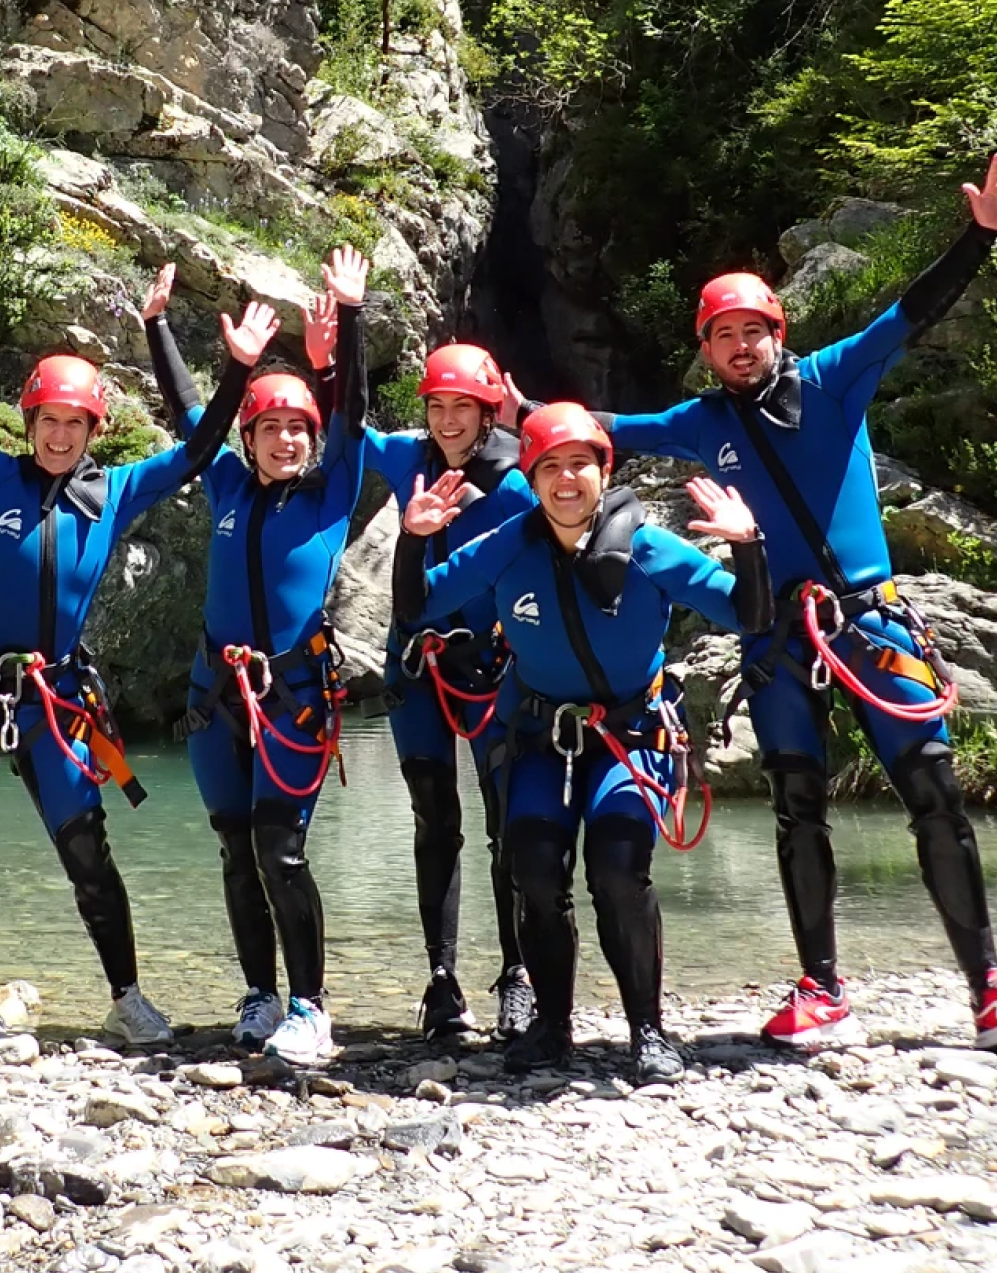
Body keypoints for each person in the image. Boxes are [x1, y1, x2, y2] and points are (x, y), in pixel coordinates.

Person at [504, 154, 997, 1051]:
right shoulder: (698, 421)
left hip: (869, 620)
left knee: (933, 792)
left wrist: (981, 236)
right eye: (720, 335)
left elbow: (911, 315)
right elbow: (597, 431)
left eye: (749, 330)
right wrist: (514, 402)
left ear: (777, 330)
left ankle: (989, 984)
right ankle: (822, 987)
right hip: (777, 632)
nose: (736, 347)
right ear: (706, 348)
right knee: (798, 801)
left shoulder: (836, 376)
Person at [0, 286, 280, 1046]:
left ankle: (126, 996)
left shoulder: (113, 492)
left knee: (87, 846)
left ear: (92, 431)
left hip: (54, 693)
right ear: (31, 423)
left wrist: (238, 371)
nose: (59, 436)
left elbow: (201, 448)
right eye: (49, 421)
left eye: (74, 424)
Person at [397, 406, 773, 1077]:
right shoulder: (510, 544)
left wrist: (747, 545)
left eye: (580, 464)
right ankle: (552, 1025)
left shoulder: (648, 549)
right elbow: (415, 605)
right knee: (535, 871)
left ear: (605, 471)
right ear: (531, 478)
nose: (566, 480)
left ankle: (647, 1029)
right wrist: (412, 538)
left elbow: (748, 611)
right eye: (550, 467)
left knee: (618, 872)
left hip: (627, 736)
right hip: (541, 737)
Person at [141, 248, 371, 1065]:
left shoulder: (332, 492)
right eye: (270, 427)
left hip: (293, 694)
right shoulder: (228, 487)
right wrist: (158, 325)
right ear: (252, 438)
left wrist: (347, 324)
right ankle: (259, 994)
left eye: (296, 429)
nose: (285, 439)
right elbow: (189, 416)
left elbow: (353, 416)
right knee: (236, 848)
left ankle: (310, 1006)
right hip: (216, 692)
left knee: (281, 848)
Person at [301, 315, 537, 1040]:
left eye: (461, 408)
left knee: (509, 825)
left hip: (492, 666)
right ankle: (441, 980)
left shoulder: (518, 485)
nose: (447, 421)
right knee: (436, 819)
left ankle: (518, 973)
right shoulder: (410, 459)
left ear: (490, 409)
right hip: (417, 665)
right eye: (436, 407)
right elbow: (345, 429)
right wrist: (330, 363)